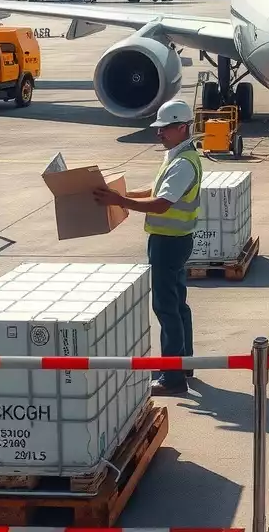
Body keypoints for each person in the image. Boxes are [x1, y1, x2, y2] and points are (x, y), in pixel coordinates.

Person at [93, 98, 202, 396]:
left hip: (169, 243)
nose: (158, 133)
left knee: (166, 308)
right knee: (178, 304)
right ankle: (183, 362)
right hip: (175, 242)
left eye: (164, 129)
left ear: (182, 128)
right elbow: (156, 192)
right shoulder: (178, 156)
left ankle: (172, 378)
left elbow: (162, 204)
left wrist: (120, 202)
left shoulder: (182, 164)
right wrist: (122, 193)